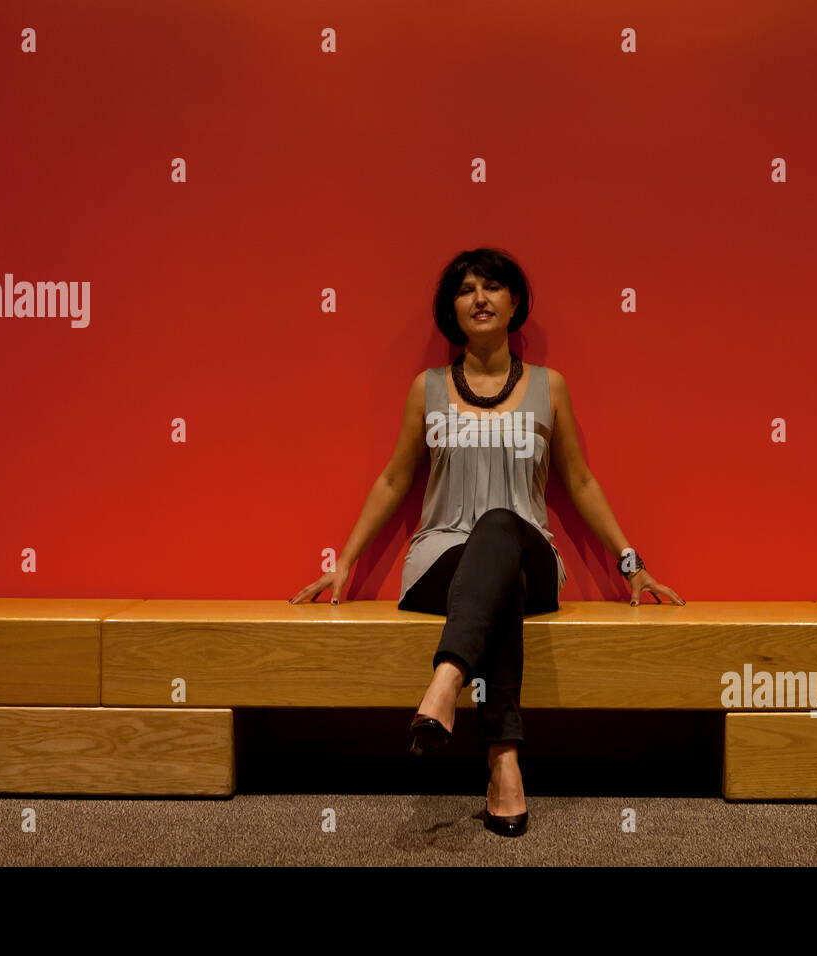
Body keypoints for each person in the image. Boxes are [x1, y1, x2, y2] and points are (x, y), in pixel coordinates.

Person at [290, 247, 683, 837]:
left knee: (499, 524)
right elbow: (396, 478)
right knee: (495, 588)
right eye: (465, 289)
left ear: (514, 302)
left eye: (492, 286)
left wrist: (633, 565)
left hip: (530, 556)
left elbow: (579, 481)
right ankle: (504, 763)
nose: (479, 297)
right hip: (438, 560)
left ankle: (445, 683)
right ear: (452, 310)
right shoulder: (426, 388)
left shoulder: (550, 388)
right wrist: (344, 562)